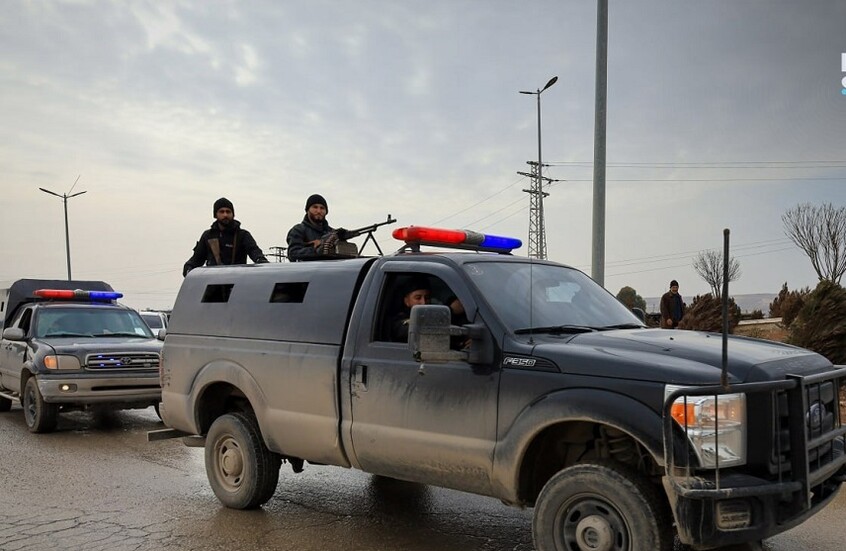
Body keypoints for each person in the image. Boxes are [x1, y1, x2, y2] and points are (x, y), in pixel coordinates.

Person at [183, 197, 269, 276]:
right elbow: (196, 259)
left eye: (228, 211)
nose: (225, 215)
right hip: (213, 282)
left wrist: (262, 263)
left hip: (237, 281)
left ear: (233, 214)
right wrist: (188, 269)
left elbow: (255, 252)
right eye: (222, 211)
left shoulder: (243, 235)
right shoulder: (208, 236)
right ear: (215, 215)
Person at [287, 194, 345, 261]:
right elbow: (293, 254)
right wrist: (316, 251)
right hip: (309, 267)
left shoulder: (332, 233)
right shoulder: (298, 230)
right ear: (308, 210)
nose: (319, 211)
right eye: (315, 207)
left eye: (322, 208)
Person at [390, 276, 431, 342]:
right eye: (418, 298)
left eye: (427, 298)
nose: (423, 302)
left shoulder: (433, 314)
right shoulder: (398, 320)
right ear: (406, 301)